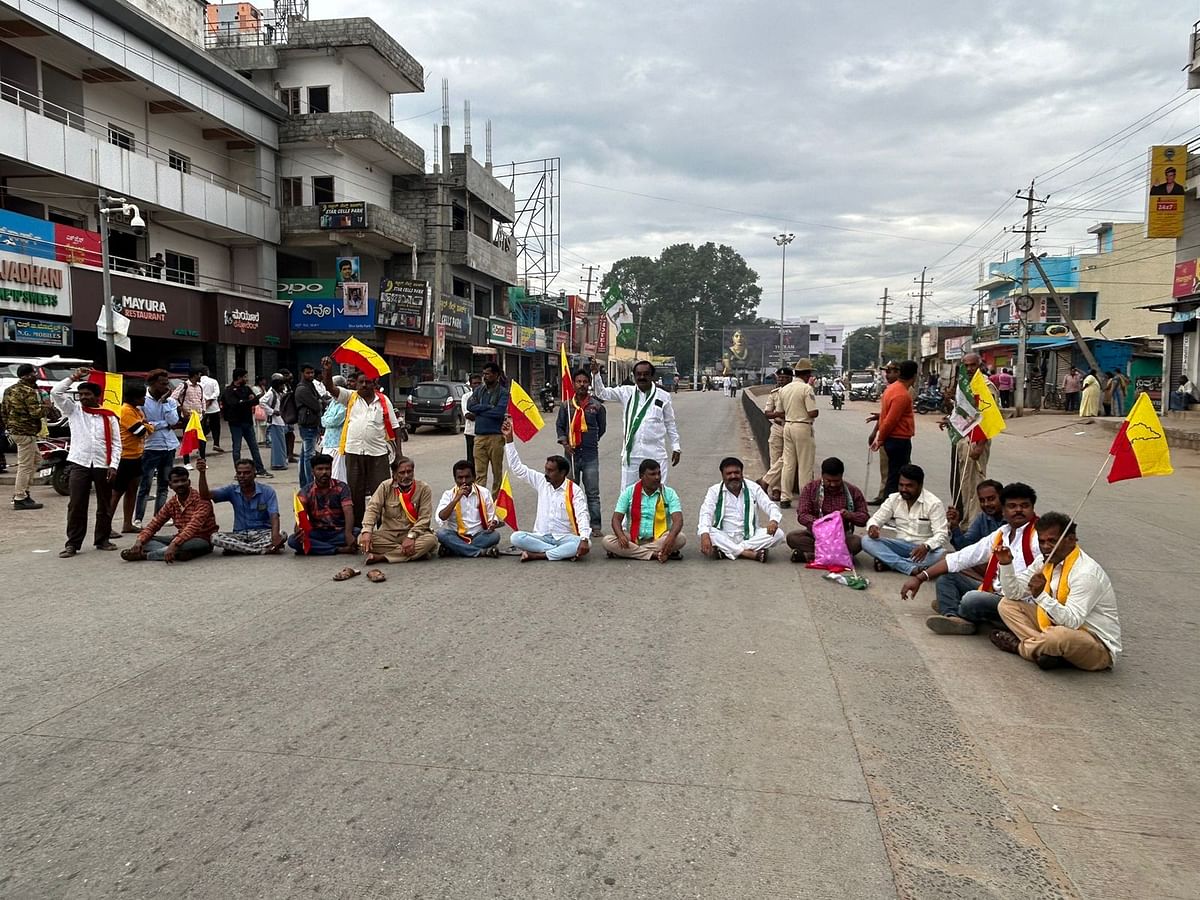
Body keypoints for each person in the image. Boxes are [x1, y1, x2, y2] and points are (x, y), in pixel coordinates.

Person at [900, 482, 1039, 635]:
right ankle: (954, 617)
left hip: (1018, 603)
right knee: (947, 577)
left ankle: (959, 609)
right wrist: (920, 578)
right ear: (1004, 510)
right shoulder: (1002, 532)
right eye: (1012, 506)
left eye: (1024, 506)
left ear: (1032, 508)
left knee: (972, 599)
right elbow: (962, 557)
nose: (1018, 510)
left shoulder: (1038, 536)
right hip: (995, 591)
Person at [990, 513, 1121, 671]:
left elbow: (1073, 621)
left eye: (1052, 541)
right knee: (1007, 605)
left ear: (1070, 540)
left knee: (1058, 636)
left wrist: (1041, 596)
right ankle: (1047, 649)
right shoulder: (1044, 561)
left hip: (1094, 644)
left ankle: (1022, 648)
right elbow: (1013, 594)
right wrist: (1006, 564)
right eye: (1041, 541)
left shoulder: (1086, 573)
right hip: (1056, 626)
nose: (1045, 547)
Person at [319, 357, 400, 528]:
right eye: (361, 382)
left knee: (381, 492)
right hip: (353, 453)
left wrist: (399, 455)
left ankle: (382, 527)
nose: (364, 385)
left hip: (378, 454)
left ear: (374, 384)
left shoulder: (384, 401)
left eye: (368, 382)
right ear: (356, 384)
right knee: (355, 493)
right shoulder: (350, 397)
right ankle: (357, 528)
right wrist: (327, 371)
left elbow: (395, 428)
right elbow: (330, 387)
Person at [51, 370, 121, 558]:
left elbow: (116, 443)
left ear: (98, 397)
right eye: (81, 395)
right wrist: (72, 378)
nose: (83, 398)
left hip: (103, 465)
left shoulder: (109, 416)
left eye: (87, 394)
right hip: (79, 463)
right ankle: (72, 544)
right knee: (76, 504)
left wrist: (113, 465)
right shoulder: (73, 410)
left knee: (104, 504)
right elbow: (55, 393)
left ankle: (102, 539)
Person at [502, 417, 592, 561]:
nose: (546, 473)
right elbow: (517, 469)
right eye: (546, 469)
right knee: (516, 537)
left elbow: (582, 516)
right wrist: (509, 440)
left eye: (550, 471)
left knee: (583, 543)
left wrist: (584, 538)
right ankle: (557, 553)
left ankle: (538, 554)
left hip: (564, 537)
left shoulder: (574, 490)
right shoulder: (542, 481)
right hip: (541, 537)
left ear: (562, 473)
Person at [591, 359, 681, 493]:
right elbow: (602, 393)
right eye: (638, 374)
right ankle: (629, 515)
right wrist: (596, 374)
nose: (642, 377)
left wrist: (676, 446)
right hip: (632, 454)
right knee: (628, 494)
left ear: (652, 376)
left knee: (658, 493)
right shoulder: (626, 392)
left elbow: (670, 423)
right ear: (634, 376)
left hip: (656, 454)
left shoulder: (663, 396)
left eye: (646, 374)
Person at [861, 463, 949, 575]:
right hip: (900, 545)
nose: (904, 489)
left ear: (920, 485)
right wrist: (873, 527)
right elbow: (876, 519)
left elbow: (941, 534)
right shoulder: (894, 499)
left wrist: (926, 546)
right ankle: (909, 567)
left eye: (909, 486)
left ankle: (889, 562)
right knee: (866, 540)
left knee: (940, 555)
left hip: (924, 550)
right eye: (901, 485)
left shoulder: (933, 504)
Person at [943, 352, 997, 524]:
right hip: (961, 440)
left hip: (976, 441)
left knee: (974, 484)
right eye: (965, 366)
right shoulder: (964, 386)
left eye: (972, 365)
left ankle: (974, 523)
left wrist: (980, 445)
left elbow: (987, 417)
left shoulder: (985, 386)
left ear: (980, 366)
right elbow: (961, 414)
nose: (969, 369)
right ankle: (963, 519)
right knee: (961, 483)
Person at [698, 456, 784, 562]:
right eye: (729, 474)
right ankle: (747, 553)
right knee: (707, 531)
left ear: (742, 473)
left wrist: (774, 520)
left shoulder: (753, 488)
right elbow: (706, 513)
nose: (733, 476)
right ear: (722, 475)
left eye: (736, 472)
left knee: (778, 534)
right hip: (724, 534)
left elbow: (771, 506)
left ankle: (728, 551)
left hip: (751, 535)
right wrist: (705, 534)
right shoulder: (714, 491)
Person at [122, 467, 217, 562]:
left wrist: (174, 545)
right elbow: (154, 524)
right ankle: (175, 553)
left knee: (182, 545)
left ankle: (146, 556)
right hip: (180, 538)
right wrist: (139, 541)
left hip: (202, 538)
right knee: (146, 541)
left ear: (189, 482)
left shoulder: (201, 501)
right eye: (176, 481)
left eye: (183, 480)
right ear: (170, 485)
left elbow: (192, 527)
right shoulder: (172, 503)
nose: (180, 484)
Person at [785, 456, 869, 563]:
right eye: (828, 481)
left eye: (836, 481)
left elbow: (864, 517)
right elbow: (802, 514)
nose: (832, 484)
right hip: (816, 535)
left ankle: (811, 556)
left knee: (857, 543)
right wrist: (821, 523)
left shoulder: (852, 491)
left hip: (841, 537)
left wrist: (849, 515)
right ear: (822, 476)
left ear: (842, 476)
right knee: (792, 538)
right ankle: (838, 556)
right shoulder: (810, 488)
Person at [602, 458, 686, 562]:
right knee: (607, 541)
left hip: (659, 538)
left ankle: (630, 553)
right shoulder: (629, 492)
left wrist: (671, 537)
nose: (657, 477)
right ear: (641, 476)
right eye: (652, 474)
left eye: (659, 473)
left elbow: (678, 520)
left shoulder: (669, 493)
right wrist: (620, 536)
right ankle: (656, 554)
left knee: (680, 538)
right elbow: (616, 519)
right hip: (633, 538)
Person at [556, 368, 607, 535]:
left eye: (585, 381)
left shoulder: (597, 406)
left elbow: (602, 429)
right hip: (570, 454)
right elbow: (560, 426)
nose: (582, 384)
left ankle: (596, 525)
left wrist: (591, 440)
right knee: (571, 490)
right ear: (573, 384)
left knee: (592, 492)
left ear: (589, 384)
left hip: (590, 455)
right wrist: (565, 443)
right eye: (579, 381)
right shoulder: (566, 406)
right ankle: (572, 523)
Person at [359, 456, 437, 564]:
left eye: (409, 472)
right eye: (402, 473)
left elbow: (424, 519)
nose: (406, 476)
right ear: (394, 475)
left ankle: (382, 557)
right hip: (388, 534)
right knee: (361, 539)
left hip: (413, 533)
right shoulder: (385, 486)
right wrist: (367, 530)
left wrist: (411, 536)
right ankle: (412, 553)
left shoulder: (423, 488)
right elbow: (372, 509)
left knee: (431, 541)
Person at [199, 458, 285, 555]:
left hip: (262, 533)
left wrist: (275, 536)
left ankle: (237, 549)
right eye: (239, 473)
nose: (242, 476)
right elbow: (205, 495)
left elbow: (274, 515)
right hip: (239, 534)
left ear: (254, 474)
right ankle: (259, 550)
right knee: (215, 537)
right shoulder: (232, 490)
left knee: (282, 534)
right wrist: (202, 473)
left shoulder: (268, 491)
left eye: (247, 473)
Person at [2, 362, 55, 510]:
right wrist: (47, 406)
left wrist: (9, 426)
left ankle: (24, 491)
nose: (36, 376)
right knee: (25, 465)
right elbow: (35, 413)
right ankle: (20, 497)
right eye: (34, 373)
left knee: (37, 460)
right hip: (25, 432)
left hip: (16, 431)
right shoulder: (29, 392)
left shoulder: (9, 390)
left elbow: (3, 411)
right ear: (27, 375)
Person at [135, 369, 180, 527]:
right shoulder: (143, 402)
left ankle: (159, 516)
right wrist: (163, 424)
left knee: (164, 484)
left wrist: (165, 403)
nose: (166, 387)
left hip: (169, 446)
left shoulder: (171, 401)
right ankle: (138, 518)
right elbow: (145, 425)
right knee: (145, 484)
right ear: (152, 383)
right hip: (151, 447)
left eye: (167, 383)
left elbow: (174, 421)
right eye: (163, 384)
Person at [288, 453, 357, 555]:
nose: (324, 472)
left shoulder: (342, 487)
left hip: (338, 531)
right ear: (313, 471)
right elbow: (300, 517)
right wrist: (300, 532)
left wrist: (348, 534)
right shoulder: (305, 492)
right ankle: (337, 549)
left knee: (358, 533)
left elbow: (348, 512)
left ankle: (320, 548)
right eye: (320, 469)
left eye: (327, 469)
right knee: (293, 541)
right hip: (317, 532)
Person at [435, 459, 501, 558]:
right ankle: (481, 552)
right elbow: (442, 517)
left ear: (474, 477)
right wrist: (456, 499)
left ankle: (455, 549)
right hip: (457, 535)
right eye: (460, 478)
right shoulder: (448, 494)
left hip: (478, 535)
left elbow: (492, 515)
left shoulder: (484, 492)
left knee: (495, 536)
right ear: (455, 479)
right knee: (441, 534)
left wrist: (493, 523)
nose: (464, 481)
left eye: (467, 477)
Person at [776, 358, 819, 508]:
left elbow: (779, 411)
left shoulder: (784, 389)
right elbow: (812, 412)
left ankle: (785, 497)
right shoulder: (807, 389)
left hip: (788, 425)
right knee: (805, 465)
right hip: (803, 425)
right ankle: (805, 499)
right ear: (807, 374)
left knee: (788, 464)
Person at [871, 360, 917, 499]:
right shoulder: (901, 394)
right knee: (896, 477)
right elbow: (890, 420)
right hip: (898, 439)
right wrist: (880, 439)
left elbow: (886, 417)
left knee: (893, 474)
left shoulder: (891, 389)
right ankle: (890, 506)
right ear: (914, 376)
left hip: (893, 439)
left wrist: (880, 436)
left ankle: (889, 504)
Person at [111, 382, 152, 535]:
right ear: (134, 398)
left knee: (132, 490)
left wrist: (145, 425)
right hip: (124, 457)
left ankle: (127, 523)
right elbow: (140, 431)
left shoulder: (136, 411)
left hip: (136, 456)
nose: (144, 400)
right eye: (142, 397)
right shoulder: (126, 411)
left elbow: (143, 427)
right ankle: (106, 525)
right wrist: (149, 426)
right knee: (117, 492)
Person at [466, 362, 510, 494]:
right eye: (483, 374)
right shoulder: (479, 390)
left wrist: (480, 411)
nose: (485, 377)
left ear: (496, 375)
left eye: (488, 374)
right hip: (479, 437)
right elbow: (470, 407)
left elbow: (499, 413)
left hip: (496, 437)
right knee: (480, 472)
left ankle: (496, 500)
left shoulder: (503, 393)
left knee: (497, 472)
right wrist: (489, 407)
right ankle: (481, 500)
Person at [221, 368, 269, 477]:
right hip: (235, 423)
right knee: (236, 449)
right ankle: (238, 472)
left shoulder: (247, 389)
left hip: (247, 422)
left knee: (254, 447)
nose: (246, 379)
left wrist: (245, 402)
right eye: (244, 377)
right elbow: (234, 404)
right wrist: (247, 402)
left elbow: (255, 401)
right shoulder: (229, 391)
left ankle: (260, 470)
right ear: (239, 378)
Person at [865, 362, 900, 504]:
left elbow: (891, 418)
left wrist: (877, 435)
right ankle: (883, 495)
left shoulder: (901, 390)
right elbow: (886, 414)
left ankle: (890, 499)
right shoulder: (889, 389)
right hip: (886, 434)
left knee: (895, 471)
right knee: (885, 469)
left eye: (890, 371)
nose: (887, 374)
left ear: (898, 372)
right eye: (887, 371)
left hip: (894, 436)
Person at [757, 367, 793, 501]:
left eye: (784, 378)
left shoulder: (795, 391)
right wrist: (779, 414)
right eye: (780, 378)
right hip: (778, 427)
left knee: (787, 459)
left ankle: (767, 481)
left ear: (791, 379)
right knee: (775, 459)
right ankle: (776, 490)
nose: (781, 380)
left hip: (791, 426)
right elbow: (767, 413)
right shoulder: (774, 393)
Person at [947, 479, 1005, 550]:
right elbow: (965, 548)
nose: (986, 504)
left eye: (991, 499)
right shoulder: (982, 518)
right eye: (982, 501)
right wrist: (955, 526)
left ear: (1002, 498)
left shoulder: (1014, 518)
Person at [293, 364, 323, 489]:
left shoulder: (310, 386)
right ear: (302, 373)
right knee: (309, 456)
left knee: (305, 455)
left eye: (312, 373)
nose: (310, 375)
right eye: (308, 373)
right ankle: (309, 485)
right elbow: (317, 405)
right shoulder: (302, 389)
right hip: (307, 424)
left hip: (311, 423)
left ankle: (305, 484)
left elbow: (319, 400)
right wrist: (320, 403)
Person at [321, 373, 353, 482]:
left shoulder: (345, 403)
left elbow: (334, 421)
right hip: (328, 443)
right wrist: (326, 420)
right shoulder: (332, 402)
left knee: (338, 474)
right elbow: (324, 419)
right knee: (325, 472)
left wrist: (326, 420)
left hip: (338, 444)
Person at [172, 368, 207, 466]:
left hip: (199, 417)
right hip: (188, 417)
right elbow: (173, 397)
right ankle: (186, 462)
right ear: (194, 375)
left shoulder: (200, 387)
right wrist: (182, 409)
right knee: (187, 439)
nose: (200, 377)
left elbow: (202, 399)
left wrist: (204, 410)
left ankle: (202, 460)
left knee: (201, 439)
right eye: (199, 375)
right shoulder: (184, 385)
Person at [259, 374, 289, 471]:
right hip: (275, 422)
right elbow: (261, 402)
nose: (283, 387)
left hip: (280, 421)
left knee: (281, 443)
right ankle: (278, 463)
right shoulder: (271, 393)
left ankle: (281, 462)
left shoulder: (277, 393)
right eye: (281, 385)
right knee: (277, 444)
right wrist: (272, 411)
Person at [199, 366, 224, 454]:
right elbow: (217, 393)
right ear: (207, 372)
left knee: (202, 427)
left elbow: (200, 393)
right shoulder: (213, 381)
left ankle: (201, 446)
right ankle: (216, 443)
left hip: (202, 408)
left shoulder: (198, 383)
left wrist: (205, 400)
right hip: (214, 408)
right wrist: (210, 399)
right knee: (216, 426)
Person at [462, 372, 481, 462]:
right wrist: (483, 414)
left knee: (481, 459)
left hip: (483, 433)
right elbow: (468, 415)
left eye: (479, 383)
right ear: (470, 385)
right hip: (470, 433)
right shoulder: (466, 397)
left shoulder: (486, 396)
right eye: (475, 383)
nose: (477, 385)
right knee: (471, 460)